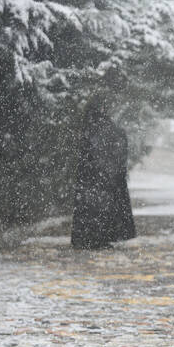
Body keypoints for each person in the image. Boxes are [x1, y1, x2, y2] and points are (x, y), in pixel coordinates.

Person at [72, 97, 136, 250]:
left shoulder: (89, 130)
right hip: (107, 178)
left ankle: (90, 238)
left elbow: (88, 154)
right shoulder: (110, 129)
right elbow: (119, 151)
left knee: (93, 209)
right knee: (106, 209)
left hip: (94, 178)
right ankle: (103, 237)